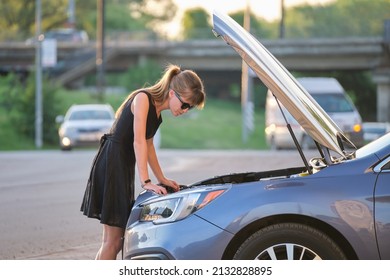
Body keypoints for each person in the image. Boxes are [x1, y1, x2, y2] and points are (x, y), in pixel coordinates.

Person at [80, 64, 206, 260]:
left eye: (189, 107)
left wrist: (162, 178)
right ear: (172, 94)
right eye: (185, 104)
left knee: (114, 241)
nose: (186, 110)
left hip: (122, 166)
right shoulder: (143, 99)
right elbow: (138, 141)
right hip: (113, 164)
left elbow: (149, 146)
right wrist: (146, 182)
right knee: (112, 242)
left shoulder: (157, 114)